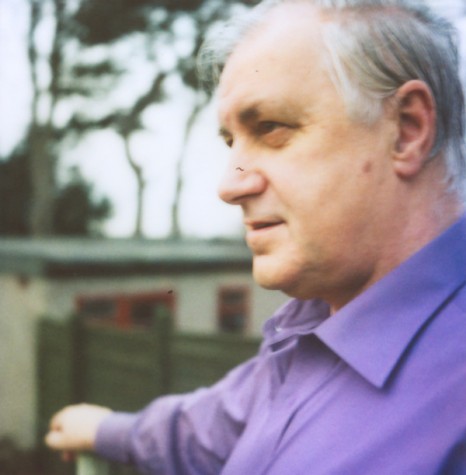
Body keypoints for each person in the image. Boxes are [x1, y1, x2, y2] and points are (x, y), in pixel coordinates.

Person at [46, 0, 466, 473]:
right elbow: (209, 430)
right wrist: (104, 430)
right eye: (231, 141)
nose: (229, 185)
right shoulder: (311, 332)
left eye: (271, 128)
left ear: (407, 130)